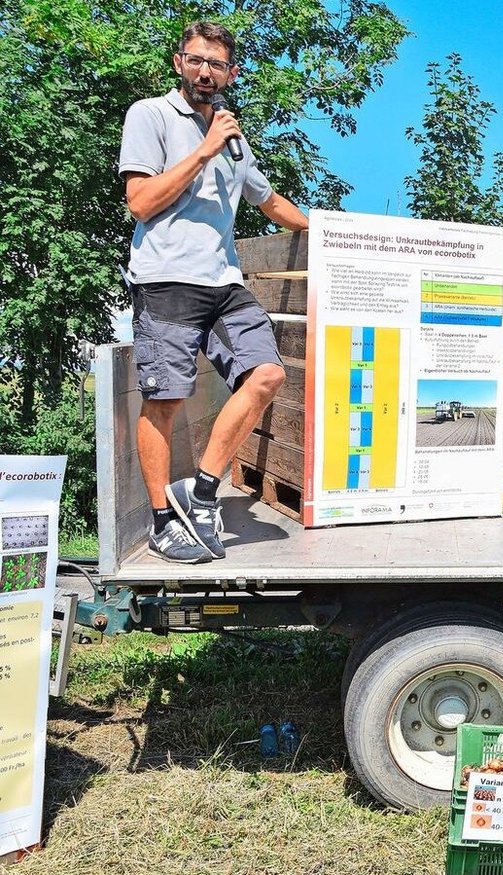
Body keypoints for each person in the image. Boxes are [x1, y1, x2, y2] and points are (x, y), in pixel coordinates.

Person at [119, 21, 309, 562]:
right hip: (166, 278)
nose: (206, 72)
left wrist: (332, 233)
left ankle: (201, 492)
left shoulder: (235, 138)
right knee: (166, 400)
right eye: (196, 60)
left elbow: (269, 203)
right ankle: (162, 521)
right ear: (179, 62)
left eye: (217, 64)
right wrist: (204, 149)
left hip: (224, 280)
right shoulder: (150, 115)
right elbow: (140, 201)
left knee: (268, 374)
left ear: (231, 73)